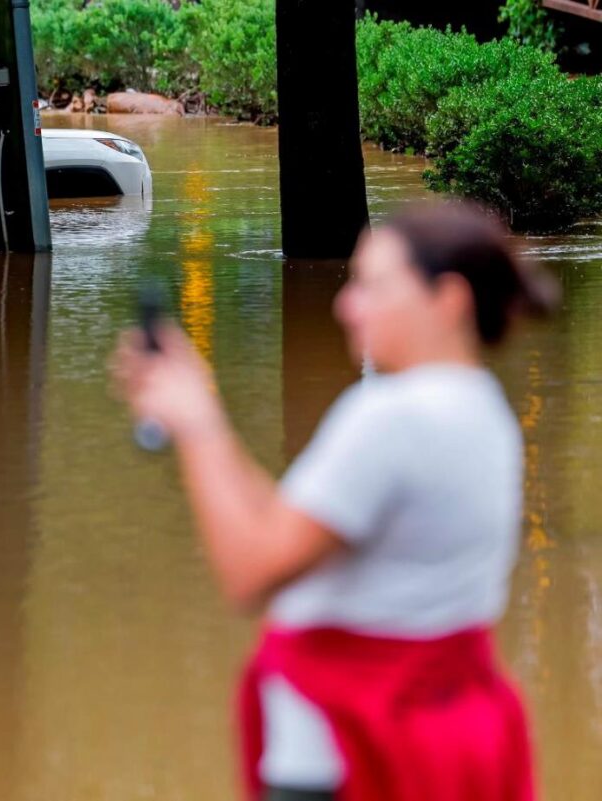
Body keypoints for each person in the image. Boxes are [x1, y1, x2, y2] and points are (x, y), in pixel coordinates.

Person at [112, 202, 558, 801]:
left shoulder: (392, 417)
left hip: (353, 753)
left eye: (373, 287)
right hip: (449, 738)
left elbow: (250, 573)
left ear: (446, 301)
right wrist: (207, 407)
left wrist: (196, 428)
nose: (346, 306)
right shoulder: (481, 409)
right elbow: (292, 531)